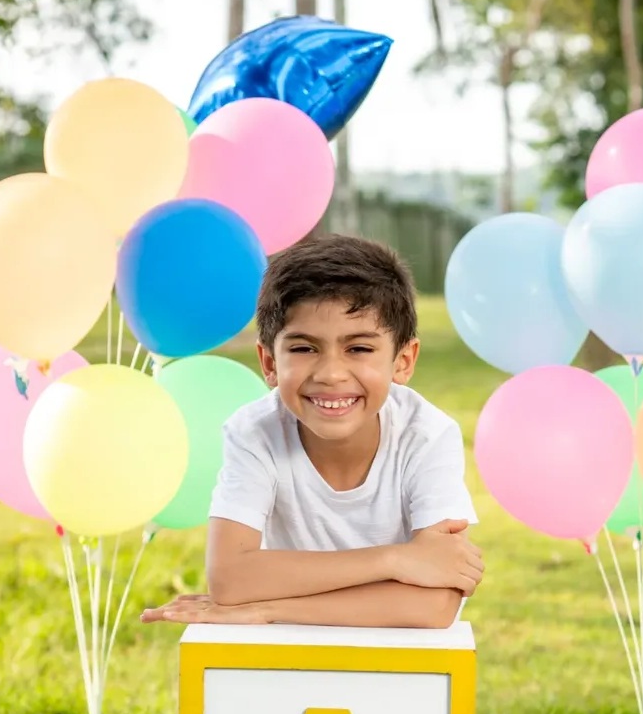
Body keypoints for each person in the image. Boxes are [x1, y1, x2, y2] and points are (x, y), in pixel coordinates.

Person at [141, 235, 483, 629]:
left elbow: (434, 606)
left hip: (400, 657)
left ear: (403, 361)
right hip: (290, 653)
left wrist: (269, 608)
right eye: (304, 349)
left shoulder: (427, 436)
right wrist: (396, 559)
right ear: (269, 362)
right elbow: (230, 579)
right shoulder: (254, 432)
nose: (331, 374)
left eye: (359, 349)